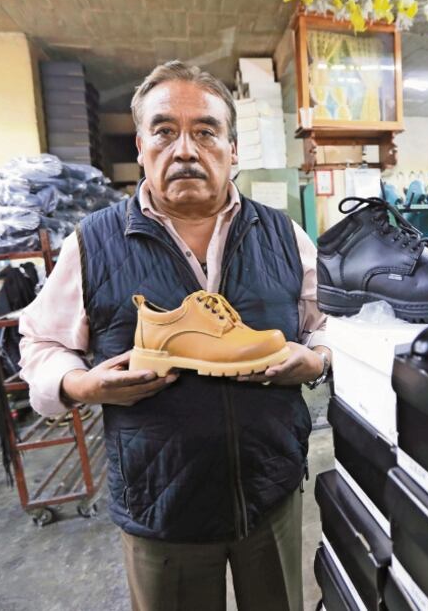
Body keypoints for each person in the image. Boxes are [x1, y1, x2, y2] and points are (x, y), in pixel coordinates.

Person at [18, 61, 332, 611]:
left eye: (206, 132)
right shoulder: (92, 244)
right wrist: (79, 385)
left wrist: (319, 359)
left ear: (233, 149)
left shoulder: (285, 234)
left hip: (270, 492)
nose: (185, 149)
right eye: (164, 131)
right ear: (141, 146)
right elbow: (39, 343)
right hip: (159, 506)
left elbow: (329, 323)